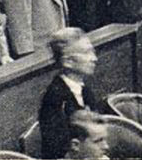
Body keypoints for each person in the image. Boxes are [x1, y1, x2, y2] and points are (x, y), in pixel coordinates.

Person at [39, 28, 99, 159]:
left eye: (92, 51)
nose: (94, 58)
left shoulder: (85, 90)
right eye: (86, 53)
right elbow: (58, 151)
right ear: (68, 62)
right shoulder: (55, 99)